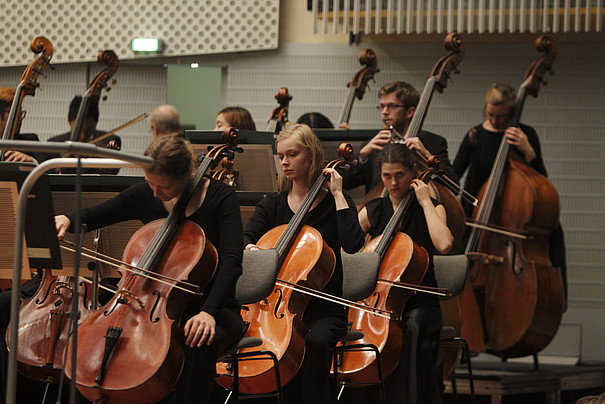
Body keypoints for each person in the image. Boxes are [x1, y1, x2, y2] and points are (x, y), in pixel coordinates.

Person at [55, 136, 244, 403]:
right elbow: (97, 214)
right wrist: (67, 219)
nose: (154, 193)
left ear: (187, 175)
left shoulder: (220, 198)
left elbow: (232, 261)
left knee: (198, 343)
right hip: (150, 304)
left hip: (212, 305)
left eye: (162, 186)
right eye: (150, 183)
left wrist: (209, 313)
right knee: (92, 341)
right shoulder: (148, 192)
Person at [242, 123, 365, 403]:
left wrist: (337, 195)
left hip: (324, 309)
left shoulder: (337, 203)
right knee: (263, 344)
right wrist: (253, 249)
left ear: (311, 156)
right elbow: (245, 239)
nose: (284, 162)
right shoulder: (272, 205)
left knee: (315, 341)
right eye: (281, 155)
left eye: (292, 154)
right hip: (276, 306)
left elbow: (354, 244)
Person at [345, 142, 452, 403]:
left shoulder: (432, 207)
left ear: (413, 172)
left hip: (421, 302)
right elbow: (346, 248)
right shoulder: (373, 210)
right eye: (386, 176)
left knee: (412, 326)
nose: (393, 183)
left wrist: (425, 202)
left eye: (400, 175)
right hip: (381, 303)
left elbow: (445, 244)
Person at [452, 82, 567, 306]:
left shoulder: (526, 134)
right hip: (478, 218)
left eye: (502, 116)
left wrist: (528, 150)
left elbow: (541, 180)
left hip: (514, 222)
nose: (495, 121)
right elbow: (455, 173)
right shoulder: (475, 135)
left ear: (512, 113)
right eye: (491, 114)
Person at [342, 81, 458, 194]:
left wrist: (428, 158)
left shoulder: (433, 142)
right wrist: (362, 155)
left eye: (391, 106)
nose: (385, 112)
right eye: (382, 107)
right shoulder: (373, 146)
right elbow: (345, 184)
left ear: (410, 112)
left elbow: (454, 188)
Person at [46, 95, 121, 174]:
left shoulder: (109, 141)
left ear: (95, 123)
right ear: (69, 122)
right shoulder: (54, 144)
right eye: (78, 129)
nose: (82, 136)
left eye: (88, 130)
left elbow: (109, 172)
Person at [0, 86, 43, 163]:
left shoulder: (30, 141)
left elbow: (51, 170)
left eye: (20, 113)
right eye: (14, 113)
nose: (20, 118)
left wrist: (32, 161)